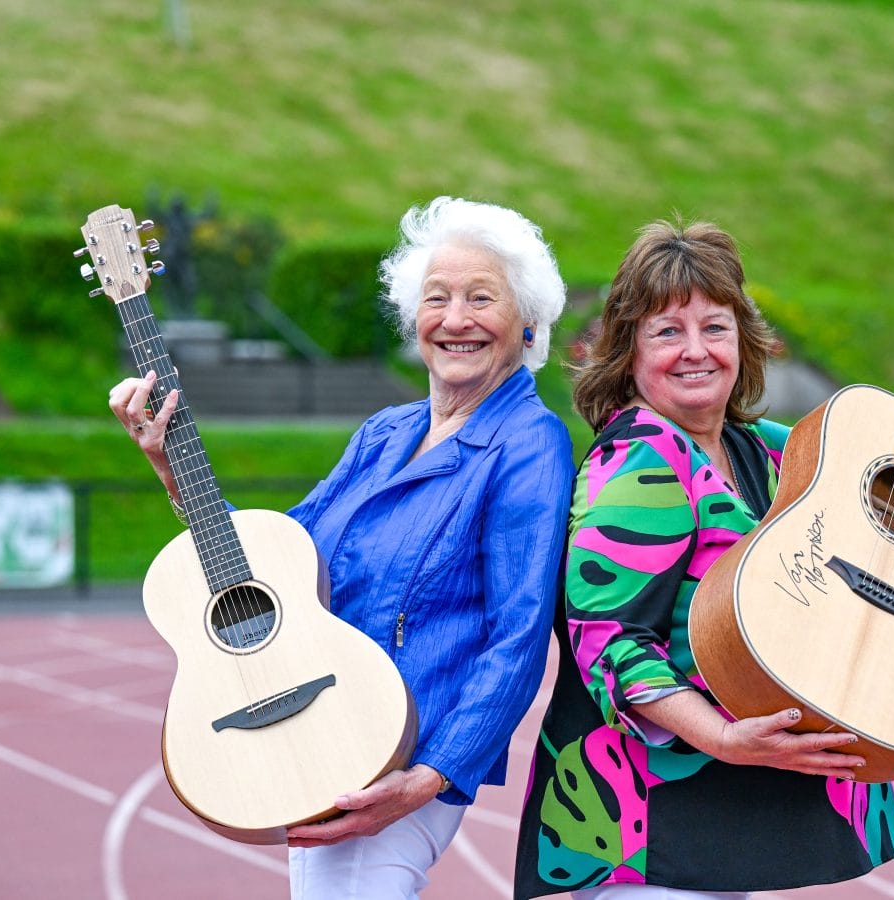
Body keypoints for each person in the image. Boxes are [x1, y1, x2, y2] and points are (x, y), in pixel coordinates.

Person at [108, 196, 575, 899]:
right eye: (437, 297)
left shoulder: (530, 444)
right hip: (318, 730)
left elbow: (519, 634)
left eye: (482, 298)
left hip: (398, 751)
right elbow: (277, 560)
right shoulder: (384, 432)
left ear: (528, 321)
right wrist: (175, 471)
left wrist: (430, 777)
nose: (455, 319)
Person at [513, 219, 894, 898]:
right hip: (646, 824)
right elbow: (608, 641)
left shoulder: (758, 448)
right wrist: (721, 738)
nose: (696, 351)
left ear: (743, 339)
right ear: (628, 350)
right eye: (667, 331)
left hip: (712, 818)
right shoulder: (639, 460)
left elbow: (858, 484)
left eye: (715, 327)